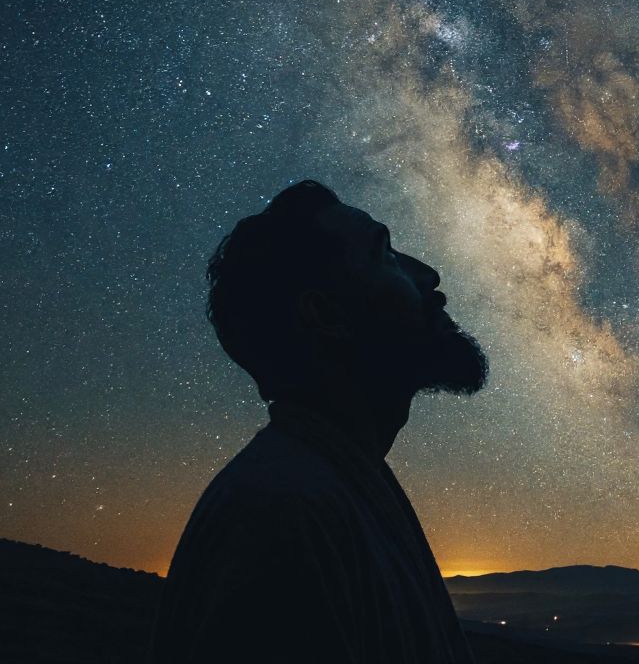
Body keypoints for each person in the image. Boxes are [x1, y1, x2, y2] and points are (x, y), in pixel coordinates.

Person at [149, 180, 487, 663]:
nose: (429, 276)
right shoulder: (283, 515)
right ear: (326, 315)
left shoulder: (331, 486)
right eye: (386, 256)